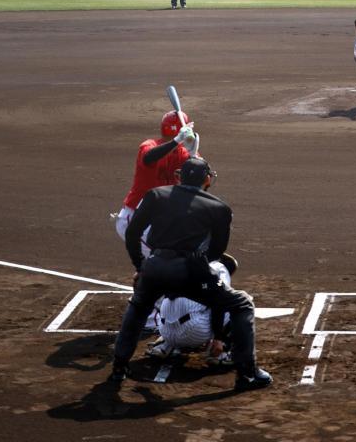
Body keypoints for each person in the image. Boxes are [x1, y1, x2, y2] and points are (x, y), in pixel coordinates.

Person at [109, 157, 271, 393]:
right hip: (191, 270)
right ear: (207, 179)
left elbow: (133, 232)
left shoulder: (155, 195)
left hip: (155, 265)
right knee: (241, 304)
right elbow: (217, 250)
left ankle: (118, 368)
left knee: (138, 307)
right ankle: (247, 373)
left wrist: (140, 265)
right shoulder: (219, 208)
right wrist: (199, 270)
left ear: (178, 176)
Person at [113, 110, 198, 247]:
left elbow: (200, 177)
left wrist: (193, 155)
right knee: (161, 255)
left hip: (160, 219)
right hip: (137, 218)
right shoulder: (149, 145)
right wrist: (176, 141)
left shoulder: (183, 152)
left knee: (165, 257)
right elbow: (149, 157)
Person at [146, 256, 240, 362]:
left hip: (165, 331)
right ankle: (220, 353)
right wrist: (218, 337)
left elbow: (159, 299)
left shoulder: (185, 267)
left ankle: (164, 346)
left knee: (178, 305)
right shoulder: (221, 269)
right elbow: (220, 301)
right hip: (193, 332)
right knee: (236, 303)